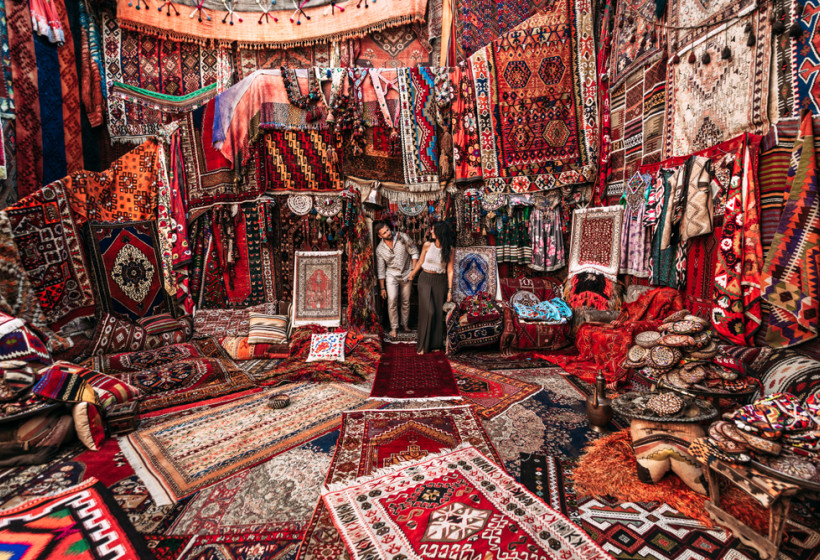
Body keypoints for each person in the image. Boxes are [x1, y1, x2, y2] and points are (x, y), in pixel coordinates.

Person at [407, 221, 455, 354]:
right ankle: (423, 345)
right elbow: (420, 262)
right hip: (425, 279)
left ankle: (435, 344)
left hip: (440, 281)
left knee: (438, 312)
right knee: (429, 311)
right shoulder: (427, 245)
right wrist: (412, 274)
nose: (431, 232)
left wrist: (450, 290)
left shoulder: (450, 249)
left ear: (441, 232)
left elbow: (450, 270)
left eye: (433, 230)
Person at [375, 221, 419, 339]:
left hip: (407, 272)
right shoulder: (379, 249)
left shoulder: (402, 237)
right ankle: (394, 327)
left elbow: (414, 252)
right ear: (380, 236)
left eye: (388, 230)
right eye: (384, 233)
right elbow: (381, 269)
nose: (388, 233)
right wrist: (382, 288)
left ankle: (405, 325)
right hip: (391, 275)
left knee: (406, 301)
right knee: (392, 300)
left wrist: (413, 271)